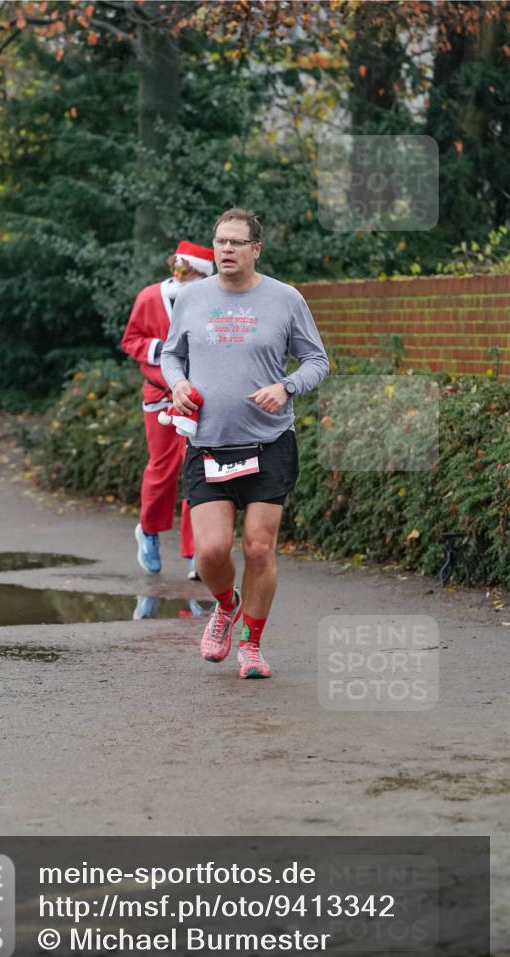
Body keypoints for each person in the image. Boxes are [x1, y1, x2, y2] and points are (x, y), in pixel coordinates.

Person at [161, 208, 329, 679]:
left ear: (256, 249)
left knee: (258, 548)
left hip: (269, 441)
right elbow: (172, 355)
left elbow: (317, 360)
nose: (227, 250)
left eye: (237, 242)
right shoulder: (192, 298)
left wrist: (287, 387)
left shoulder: (285, 299)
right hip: (209, 443)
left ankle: (252, 646)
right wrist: (176, 384)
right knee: (210, 553)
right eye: (220, 242)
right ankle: (225, 604)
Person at [122, 241, 215, 577]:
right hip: (160, 394)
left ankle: (196, 551)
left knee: (196, 471)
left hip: (197, 398)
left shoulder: (211, 301)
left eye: (187, 269)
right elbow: (130, 340)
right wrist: (160, 348)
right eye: (177, 267)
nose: (179, 273)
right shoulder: (149, 297)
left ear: (202, 274)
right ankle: (148, 531)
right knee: (161, 469)